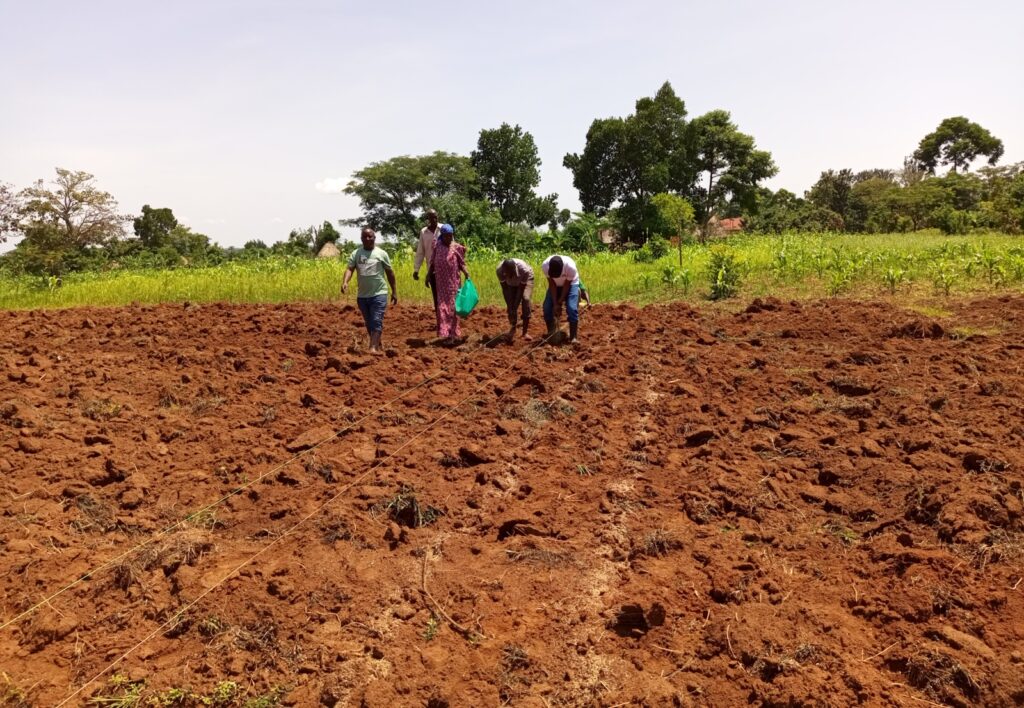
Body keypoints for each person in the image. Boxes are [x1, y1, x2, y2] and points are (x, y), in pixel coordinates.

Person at [341, 227, 398, 353]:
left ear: (374, 238)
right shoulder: (356, 254)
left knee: (376, 320)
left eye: (370, 236)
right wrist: (345, 282)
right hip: (362, 296)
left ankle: (372, 348)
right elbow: (350, 269)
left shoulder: (382, 254)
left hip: (379, 293)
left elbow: (390, 273)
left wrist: (394, 291)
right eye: (365, 237)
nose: (368, 239)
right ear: (361, 239)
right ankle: (378, 344)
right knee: (369, 322)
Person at [426, 223, 469, 344]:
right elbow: (432, 262)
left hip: (453, 283)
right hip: (441, 284)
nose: (448, 238)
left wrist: (466, 273)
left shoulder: (456, 247)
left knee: (454, 308)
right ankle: (445, 334)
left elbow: (462, 263)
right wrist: (428, 276)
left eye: (450, 236)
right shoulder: (437, 246)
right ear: (442, 236)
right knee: (442, 308)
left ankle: (453, 335)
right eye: (446, 236)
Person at [542, 254, 582, 342]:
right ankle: (552, 333)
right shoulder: (545, 265)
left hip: (571, 284)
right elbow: (551, 284)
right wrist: (555, 303)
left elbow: (567, 285)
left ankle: (573, 337)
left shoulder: (570, 266)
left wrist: (559, 302)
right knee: (547, 307)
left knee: (571, 308)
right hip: (555, 285)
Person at [496, 258, 534, 342]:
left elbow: (520, 290)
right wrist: (510, 306)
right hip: (510, 284)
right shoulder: (499, 271)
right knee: (511, 303)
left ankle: (525, 332)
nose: (508, 276)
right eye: (506, 274)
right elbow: (505, 289)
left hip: (525, 280)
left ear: (514, 270)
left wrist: (515, 307)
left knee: (525, 299)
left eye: (510, 274)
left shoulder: (524, 270)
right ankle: (513, 328)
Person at [413, 208, 441, 315]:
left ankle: (449, 319)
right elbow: (420, 251)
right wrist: (416, 270)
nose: (434, 219)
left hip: (445, 268)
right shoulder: (424, 232)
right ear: (428, 219)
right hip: (432, 269)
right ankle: (439, 318)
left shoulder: (443, 229)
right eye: (431, 217)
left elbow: (452, 247)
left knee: (448, 295)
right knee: (436, 295)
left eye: (435, 217)